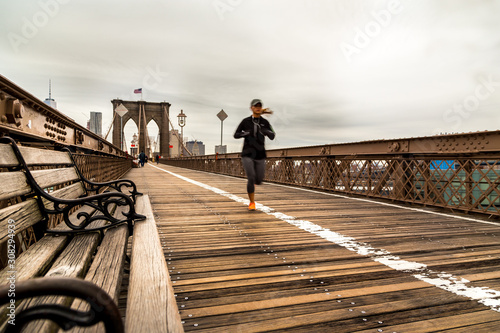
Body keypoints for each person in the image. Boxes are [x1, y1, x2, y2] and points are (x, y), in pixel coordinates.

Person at [234, 98, 275, 211]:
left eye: (259, 106)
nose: (257, 107)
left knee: (259, 179)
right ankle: (252, 202)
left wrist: (266, 131)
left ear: (261, 108)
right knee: (251, 177)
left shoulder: (265, 122)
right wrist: (246, 133)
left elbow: (273, 135)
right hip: (247, 154)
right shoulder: (245, 121)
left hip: (260, 154)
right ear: (251, 108)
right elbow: (236, 134)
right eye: (255, 106)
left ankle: (255, 183)